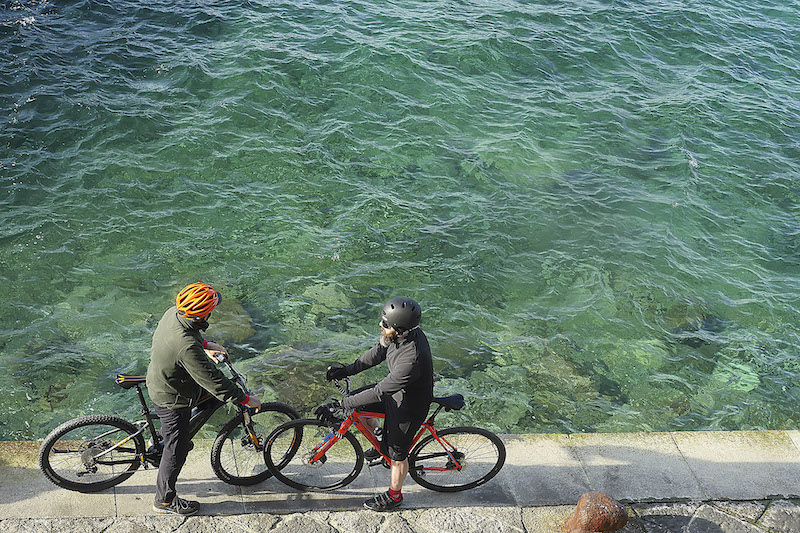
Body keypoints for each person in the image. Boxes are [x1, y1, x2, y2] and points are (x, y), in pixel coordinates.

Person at [146, 282, 261, 516]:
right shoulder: (186, 346)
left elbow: (190, 339)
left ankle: (161, 437)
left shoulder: (174, 314)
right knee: (177, 450)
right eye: (210, 309)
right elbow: (214, 381)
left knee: (210, 399)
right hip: (172, 397)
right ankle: (164, 500)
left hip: (165, 379)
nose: (212, 312)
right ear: (202, 314)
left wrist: (206, 345)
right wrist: (246, 399)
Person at [316, 297, 433, 512]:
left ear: (399, 329)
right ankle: (381, 440)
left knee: (398, 455)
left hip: (408, 406)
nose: (381, 325)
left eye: (385, 324)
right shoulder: (402, 334)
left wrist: (340, 404)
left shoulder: (411, 360)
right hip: (395, 393)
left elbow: (380, 391)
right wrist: (346, 370)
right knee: (357, 406)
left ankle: (394, 496)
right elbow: (377, 353)